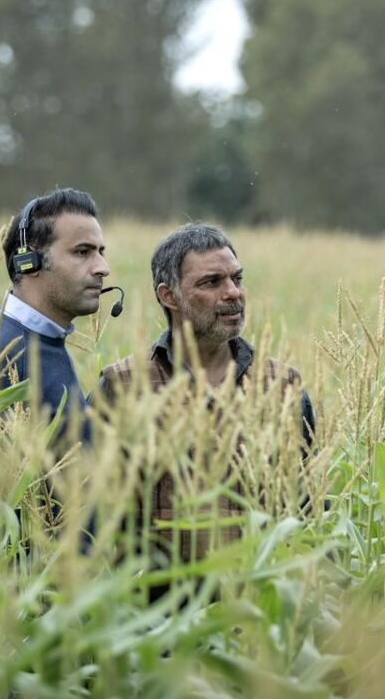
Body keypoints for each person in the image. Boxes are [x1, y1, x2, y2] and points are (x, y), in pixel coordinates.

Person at [93, 223, 314, 573]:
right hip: (155, 615)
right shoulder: (123, 387)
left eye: (237, 279)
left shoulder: (281, 387)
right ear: (169, 296)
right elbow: (94, 513)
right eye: (211, 282)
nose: (233, 293)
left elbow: (306, 512)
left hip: (258, 610)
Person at [0, 188, 112, 522]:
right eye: (83, 252)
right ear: (28, 261)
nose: (102, 267)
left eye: (101, 252)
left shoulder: (47, 343)